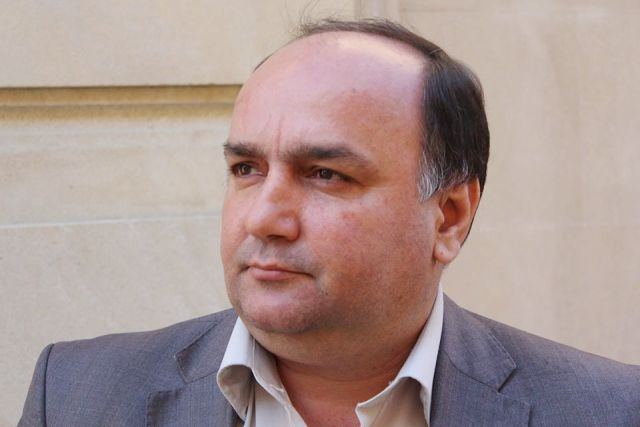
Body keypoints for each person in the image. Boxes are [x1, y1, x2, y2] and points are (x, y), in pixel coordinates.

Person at [19, 19, 639, 427]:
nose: (265, 217)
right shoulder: (75, 396)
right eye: (245, 169)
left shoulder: (607, 411)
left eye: (325, 174)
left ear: (449, 217)